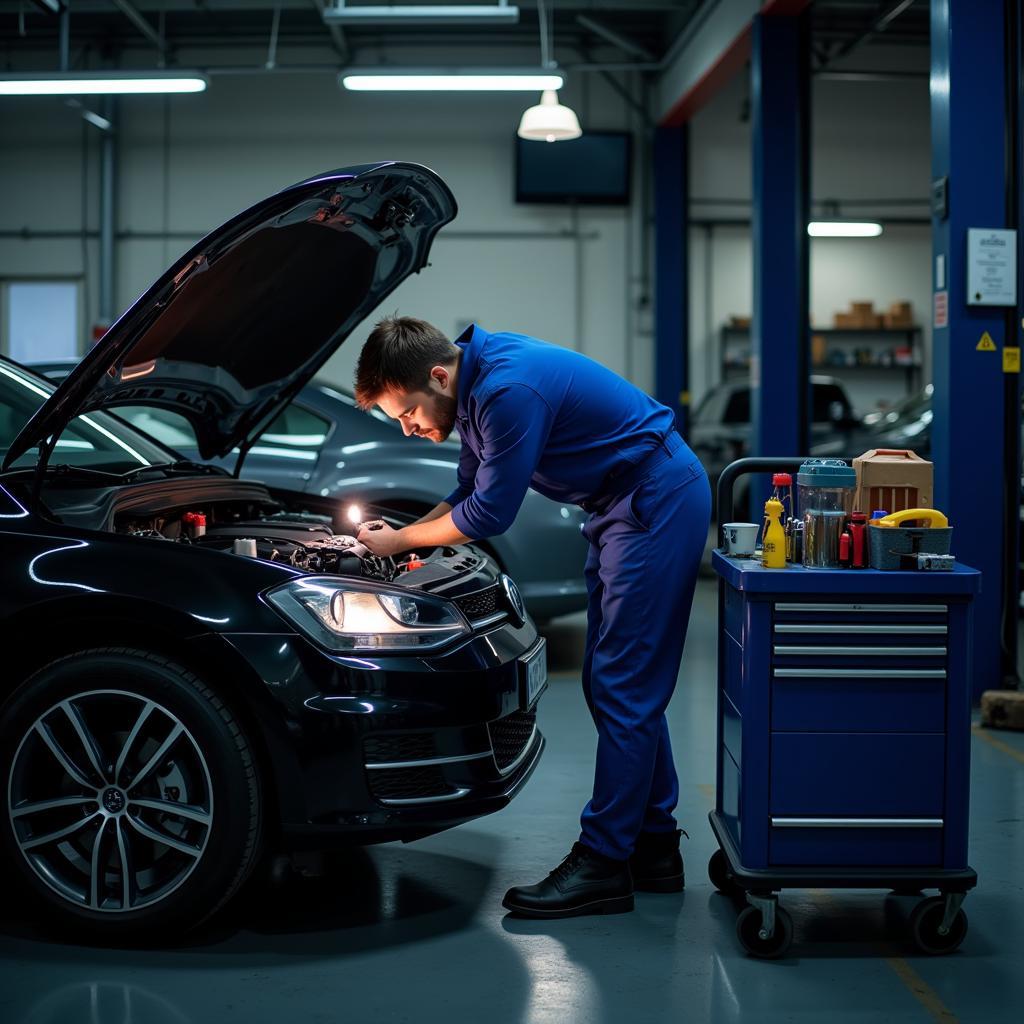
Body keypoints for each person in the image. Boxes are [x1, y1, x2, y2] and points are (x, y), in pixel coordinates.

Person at [353, 316, 711, 919]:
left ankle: (604, 862)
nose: (408, 428)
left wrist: (404, 540)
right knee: (614, 684)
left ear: (437, 377)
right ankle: (653, 847)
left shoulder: (506, 390)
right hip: (620, 505)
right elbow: (466, 489)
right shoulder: (470, 388)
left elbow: (489, 513)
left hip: (654, 499)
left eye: (406, 413)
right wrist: (406, 539)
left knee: (625, 686)